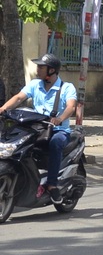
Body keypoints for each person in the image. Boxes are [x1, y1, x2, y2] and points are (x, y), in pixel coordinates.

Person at [0, 54, 77, 204]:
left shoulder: (67, 87)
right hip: (36, 127)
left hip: (57, 130)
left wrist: (60, 119)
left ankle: (52, 185)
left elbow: (71, 107)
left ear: (52, 70)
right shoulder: (35, 84)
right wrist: (2, 109)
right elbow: (18, 98)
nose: (38, 69)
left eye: (41, 67)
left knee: (55, 143)